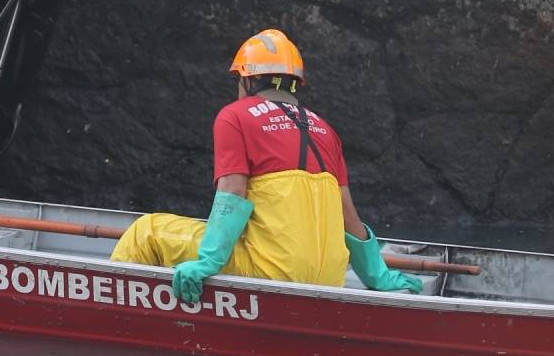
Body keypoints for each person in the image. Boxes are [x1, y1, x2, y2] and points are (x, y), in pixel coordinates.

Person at [111, 29, 423, 303]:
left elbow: (233, 192)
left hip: (272, 271)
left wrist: (208, 263)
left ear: (247, 80)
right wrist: (378, 276)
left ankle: (114, 316)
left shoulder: (235, 116)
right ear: (294, 84)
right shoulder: (325, 130)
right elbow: (347, 214)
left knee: (145, 232)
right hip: (329, 278)